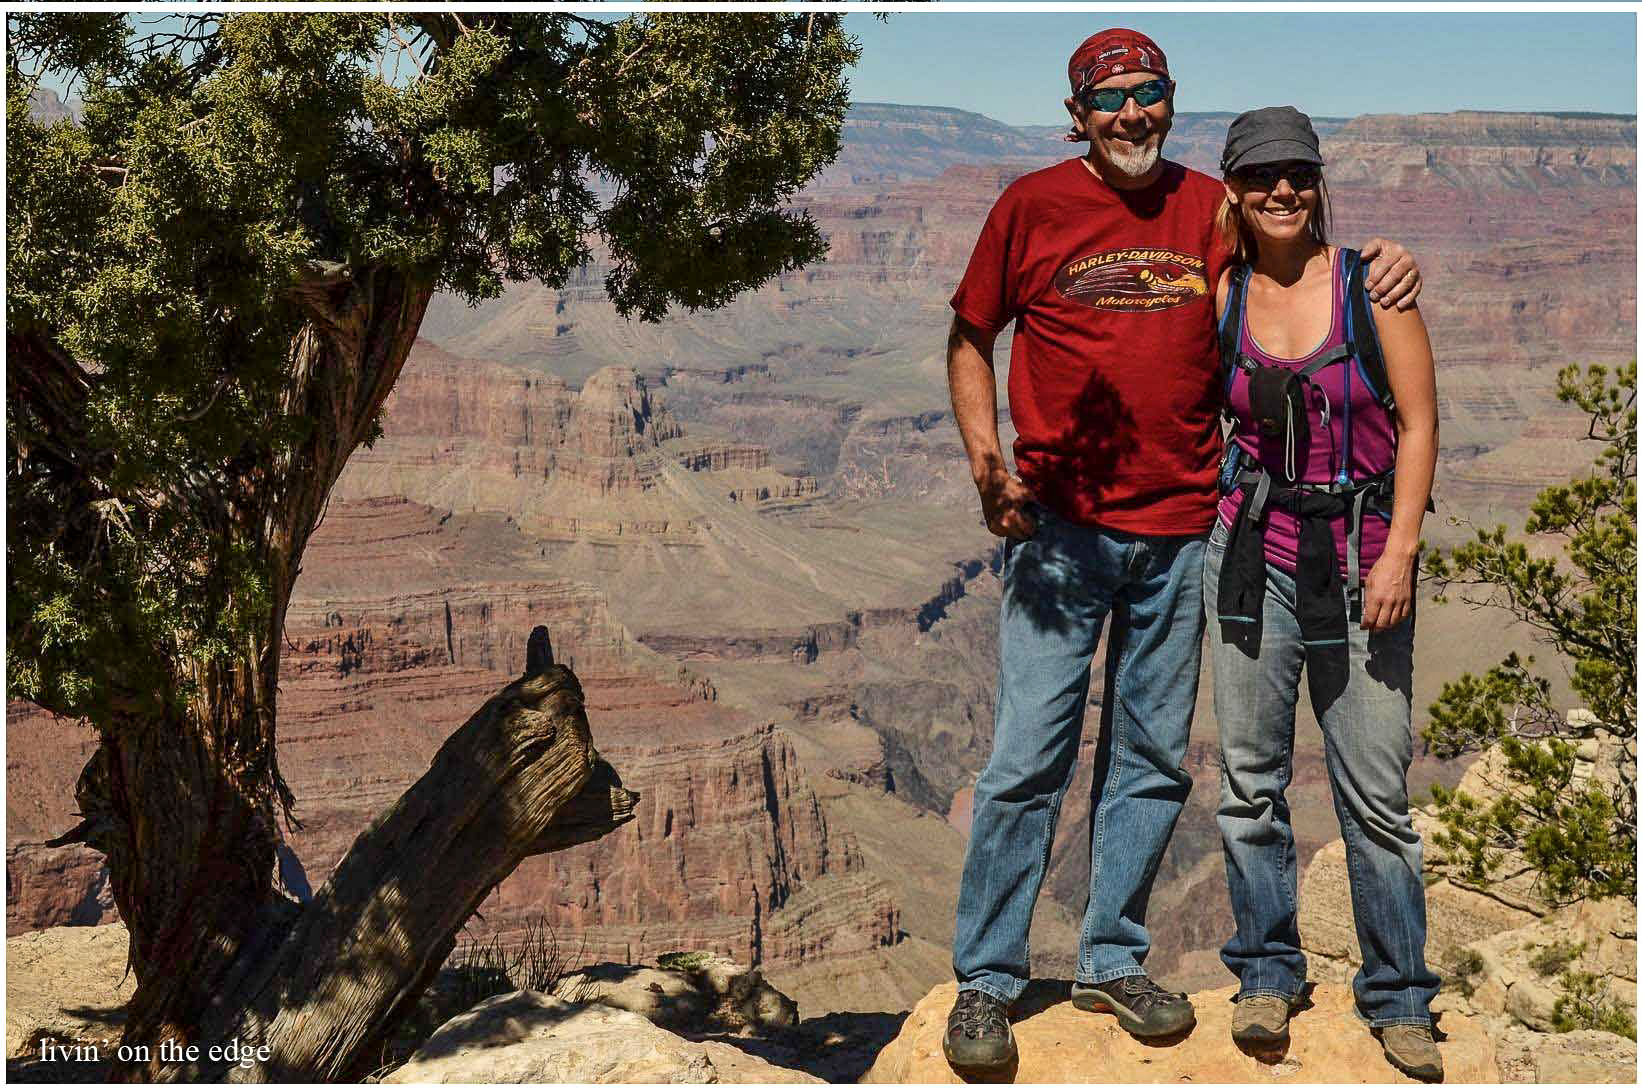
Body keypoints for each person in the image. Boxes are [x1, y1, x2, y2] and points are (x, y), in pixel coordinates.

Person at [942, 28, 1423, 1071]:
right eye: (1107, 98)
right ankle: (985, 979)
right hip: (1059, 534)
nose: (1130, 114)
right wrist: (987, 462)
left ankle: (1113, 954)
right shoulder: (1027, 205)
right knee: (1027, 759)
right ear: (1076, 113)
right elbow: (970, 335)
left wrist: (1384, 257)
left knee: (1152, 760)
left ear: (1170, 99)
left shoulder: (1209, 204)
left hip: (1183, 532)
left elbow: (1294, 258)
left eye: (1146, 93)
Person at [1203, 106, 1443, 1081]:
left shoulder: (1371, 288)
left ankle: (1397, 997)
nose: (1281, 191)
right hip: (1251, 556)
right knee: (1249, 787)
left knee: (1374, 795)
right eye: (1260, 177)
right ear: (1233, 191)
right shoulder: (1220, 292)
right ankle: (1265, 971)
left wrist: (1402, 556)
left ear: (1316, 179)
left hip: (1359, 559)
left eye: (1296, 173)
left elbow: (1421, 426)